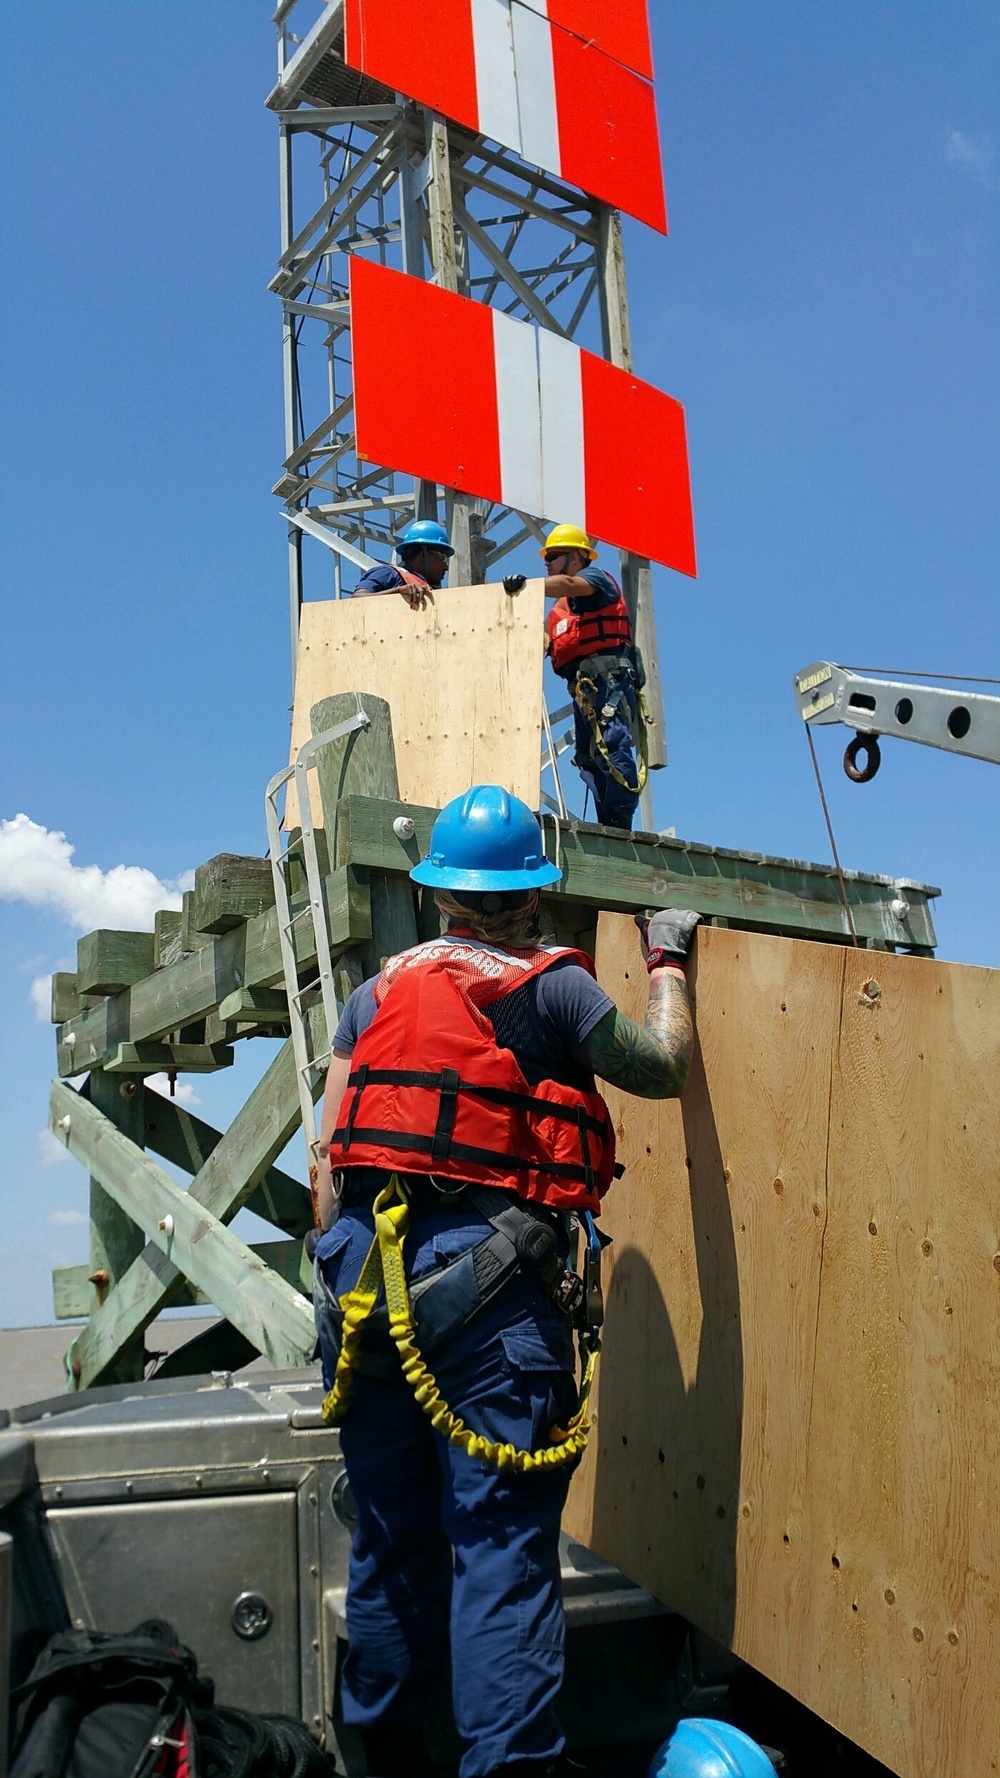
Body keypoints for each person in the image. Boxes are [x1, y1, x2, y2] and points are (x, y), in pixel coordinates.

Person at [312, 784, 699, 1778]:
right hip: (486, 1285)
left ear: (439, 888)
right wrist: (667, 960)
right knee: (498, 1547)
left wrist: (346, 1285)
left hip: (360, 1278)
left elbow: (326, 1161)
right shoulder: (551, 986)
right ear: (533, 889)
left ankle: (385, 1756)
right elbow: (658, 1066)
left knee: (392, 1532)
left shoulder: (376, 990)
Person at [540, 525, 642, 831]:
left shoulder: (597, 578)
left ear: (576, 557)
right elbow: (544, 643)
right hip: (583, 692)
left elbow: (570, 583)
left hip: (608, 682)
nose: (548, 564)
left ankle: (620, 821)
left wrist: (528, 588)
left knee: (611, 746)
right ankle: (606, 822)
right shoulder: (560, 610)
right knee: (587, 757)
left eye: (554, 557)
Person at [353, 519, 455, 608]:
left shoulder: (431, 591)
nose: (446, 567)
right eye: (443, 558)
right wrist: (398, 591)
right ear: (423, 555)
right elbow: (357, 599)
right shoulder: (390, 574)